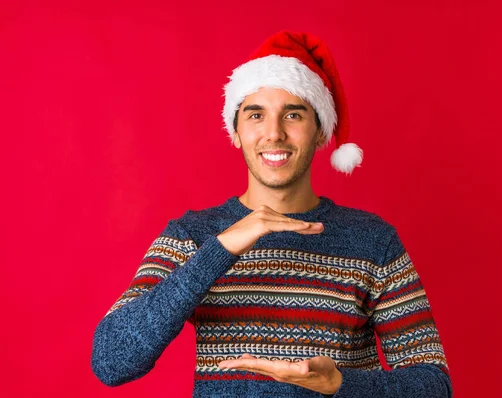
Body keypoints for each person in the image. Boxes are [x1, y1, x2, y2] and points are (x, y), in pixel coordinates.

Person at [91, 30, 453, 398]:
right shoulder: (193, 237)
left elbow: (434, 385)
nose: (274, 133)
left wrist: (339, 384)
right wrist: (222, 249)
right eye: (256, 114)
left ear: (319, 132)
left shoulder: (374, 241)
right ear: (236, 132)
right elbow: (111, 361)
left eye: (293, 114)